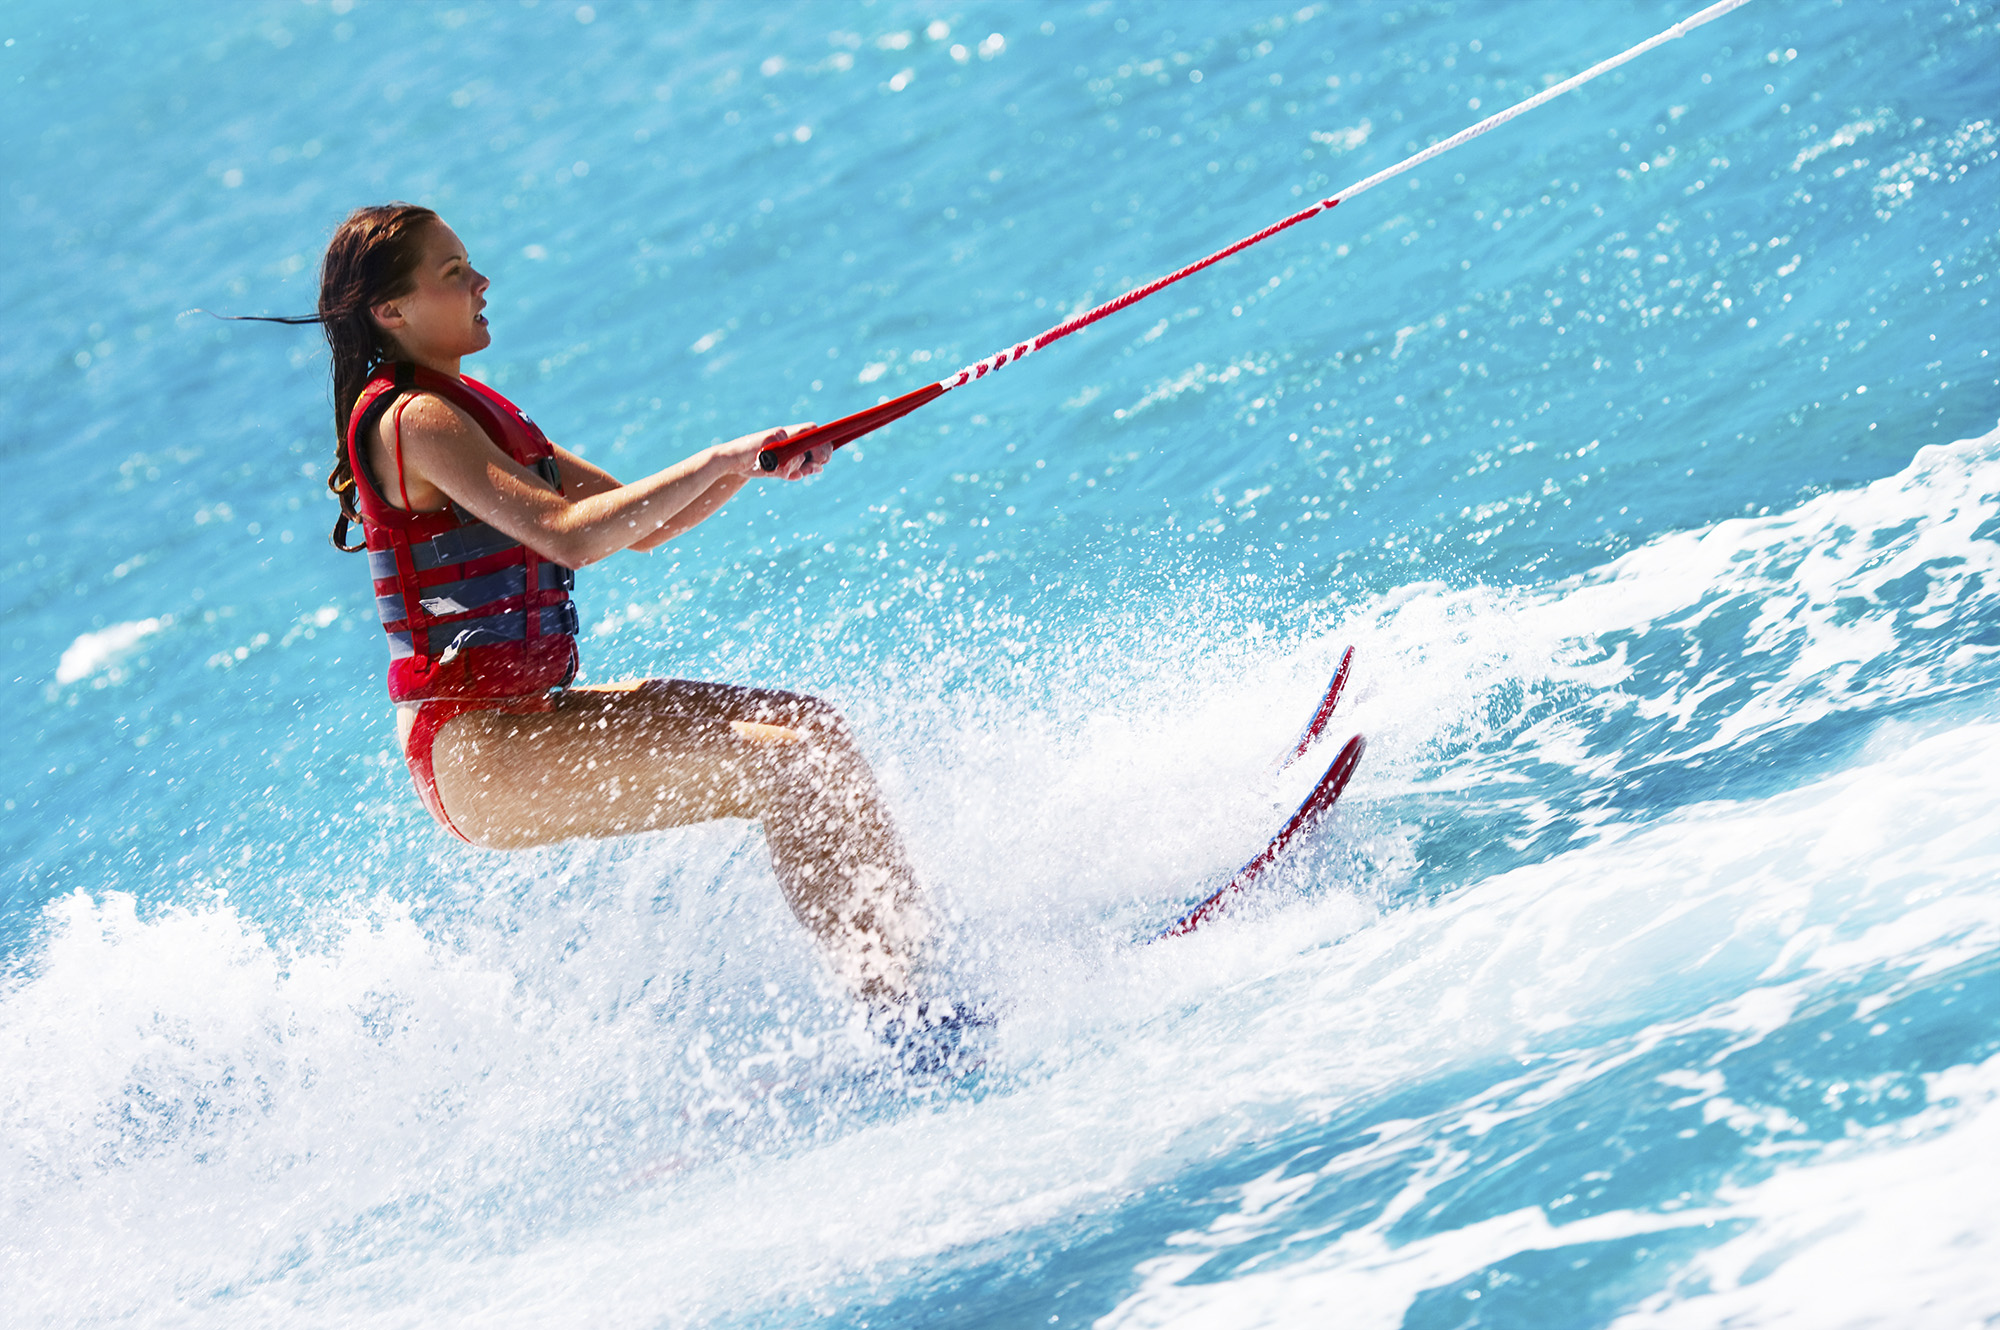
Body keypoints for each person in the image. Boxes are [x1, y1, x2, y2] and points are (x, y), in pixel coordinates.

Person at [312, 203, 937, 1015]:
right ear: (390, 312)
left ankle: (926, 974)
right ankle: (909, 1020)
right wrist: (722, 456)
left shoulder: (472, 406)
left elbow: (648, 527)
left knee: (811, 728)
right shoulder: (415, 419)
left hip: (523, 718)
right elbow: (568, 538)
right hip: (477, 752)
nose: (482, 281)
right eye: (454, 273)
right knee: (790, 766)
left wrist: (751, 465)